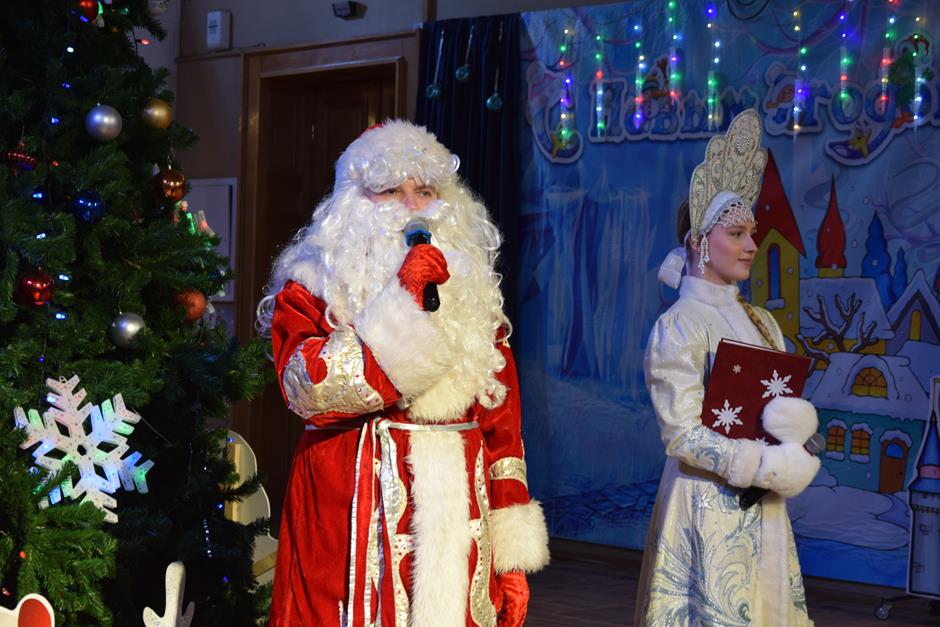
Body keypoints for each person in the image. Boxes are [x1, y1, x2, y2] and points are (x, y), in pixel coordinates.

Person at [256, 120, 549, 627]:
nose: (412, 205)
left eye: (426, 190)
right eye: (391, 189)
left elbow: (502, 430)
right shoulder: (310, 287)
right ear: (353, 202)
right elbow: (307, 389)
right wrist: (401, 307)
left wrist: (511, 556)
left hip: (459, 522)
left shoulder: (474, 292)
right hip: (349, 521)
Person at [635, 109, 819, 626]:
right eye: (736, 233)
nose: (752, 245)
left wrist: (796, 439)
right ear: (699, 242)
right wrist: (759, 464)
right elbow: (681, 433)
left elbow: (776, 405)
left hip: (766, 506)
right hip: (705, 504)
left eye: (752, 233)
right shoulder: (679, 325)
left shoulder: (762, 321)